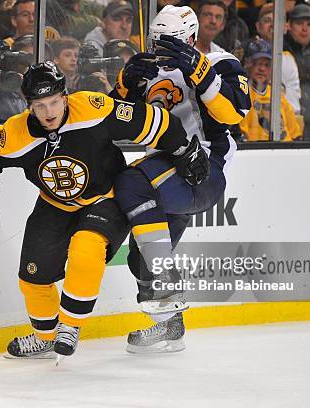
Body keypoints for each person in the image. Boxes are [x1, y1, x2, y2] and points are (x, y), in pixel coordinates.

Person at [0, 61, 197, 359]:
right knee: (33, 277)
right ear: (29, 106)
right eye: (40, 106)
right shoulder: (14, 135)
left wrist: (183, 150)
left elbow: (154, 121)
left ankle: (70, 325)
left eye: (54, 102)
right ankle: (46, 337)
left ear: (65, 96)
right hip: (54, 204)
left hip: (107, 196)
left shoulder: (93, 108)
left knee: (86, 249)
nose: (49, 113)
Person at [109, 5, 251, 353]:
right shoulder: (149, 74)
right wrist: (125, 86)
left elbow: (237, 111)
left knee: (129, 183)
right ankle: (170, 327)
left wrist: (198, 71)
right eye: (157, 41)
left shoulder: (220, 63)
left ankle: (169, 288)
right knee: (139, 258)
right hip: (168, 171)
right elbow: (111, 126)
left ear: (190, 38)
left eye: (171, 42)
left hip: (204, 171)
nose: (162, 48)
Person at [239, 38, 302, 141]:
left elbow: (295, 135)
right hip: (256, 152)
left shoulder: (277, 94)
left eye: (267, 65)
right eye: (257, 63)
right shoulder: (242, 93)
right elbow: (242, 137)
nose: (262, 69)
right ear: (247, 64)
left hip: (286, 152)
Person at [253, 3, 302, 114]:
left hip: (282, 122)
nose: (273, 25)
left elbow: (294, 107)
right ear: (258, 26)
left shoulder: (289, 60)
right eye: (267, 20)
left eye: (278, 21)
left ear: (286, 27)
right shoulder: (247, 56)